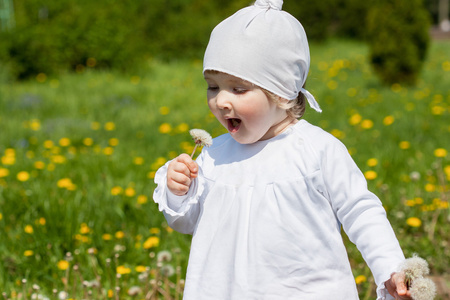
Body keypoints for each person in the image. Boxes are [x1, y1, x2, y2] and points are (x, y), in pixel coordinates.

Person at [153, 0, 413, 299]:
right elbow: (184, 222)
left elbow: (361, 211)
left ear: (281, 93)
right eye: (213, 86)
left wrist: (390, 268)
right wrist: (179, 191)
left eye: (238, 89)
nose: (221, 101)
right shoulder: (213, 156)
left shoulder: (316, 151)